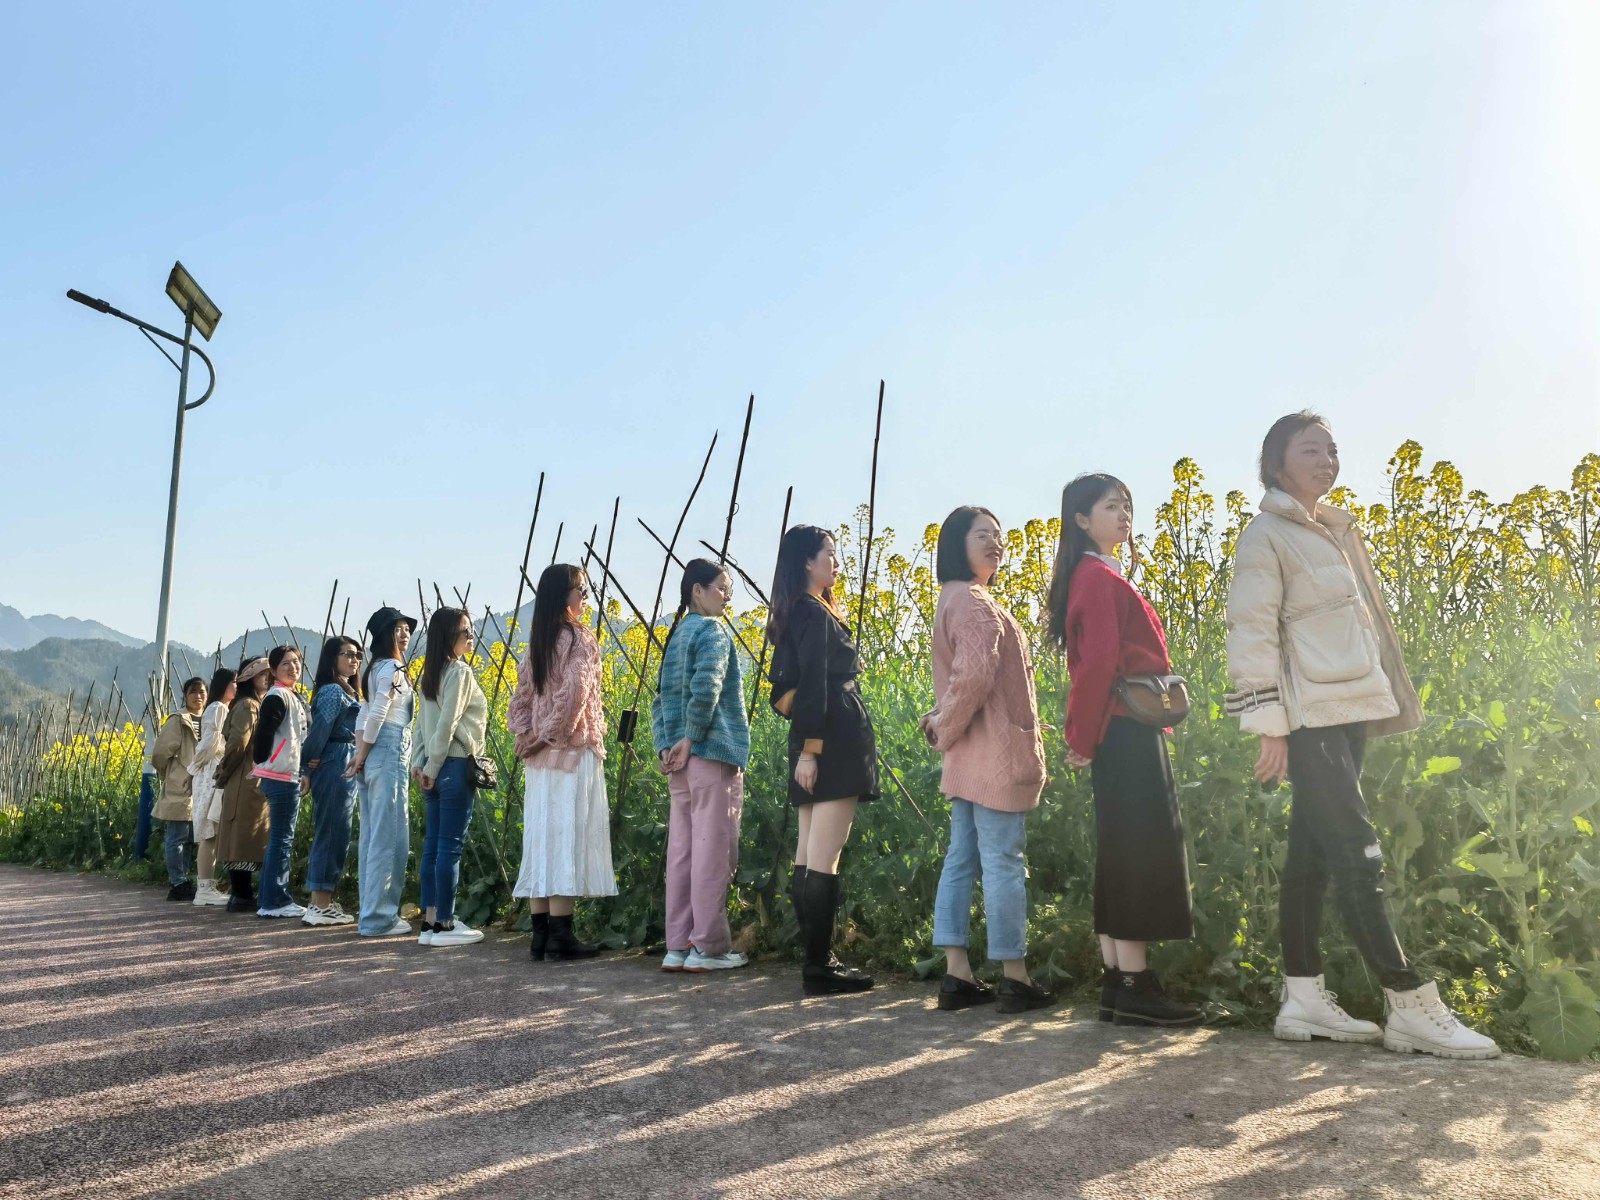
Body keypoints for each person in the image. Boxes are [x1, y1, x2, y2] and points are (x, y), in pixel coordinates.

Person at [1225, 411, 1498, 1059]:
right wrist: (1268, 724)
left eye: (1332, 449)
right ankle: (1408, 1001)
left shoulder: (1332, 531)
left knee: (1310, 859)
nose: (1326, 459)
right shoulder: (1266, 535)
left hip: (1345, 711)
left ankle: (1303, 997)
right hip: (1308, 715)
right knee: (1358, 850)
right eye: (1310, 449)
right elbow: (1252, 631)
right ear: (1276, 464)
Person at [1046, 474, 1204, 1028]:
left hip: (1120, 729)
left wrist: (1087, 736)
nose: (1124, 515)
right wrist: (1082, 738)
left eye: (1127, 506)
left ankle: (1118, 982)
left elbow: (1094, 664)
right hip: (1125, 730)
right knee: (1139, 848)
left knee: (1120, 849)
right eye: (1111, 506)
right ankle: (1135, 984)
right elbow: (1097, 665)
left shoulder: (1094, 574)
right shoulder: (1096, 576)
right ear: (1082, 520)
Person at [919, 508, 1054, 1013]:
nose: (996, 544)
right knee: (1002, 861)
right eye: (983, 536)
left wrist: (943, 723)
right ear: (957, 543)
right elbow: (974, 675)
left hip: (967, 755)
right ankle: (1014, 976)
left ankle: (957, 975)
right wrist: (944, 723)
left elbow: (966, 677)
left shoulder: (952, 597)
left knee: (963, 859)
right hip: (991, 754)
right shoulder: (973, 601)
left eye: (998, 536)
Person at [768, 525, 876, 995]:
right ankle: (819, 965)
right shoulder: (813, 614)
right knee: (823, 858)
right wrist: (811, 751)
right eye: (829, 554)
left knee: (809, 854)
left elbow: (783, 693)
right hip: (830, 739)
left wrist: (805, 744)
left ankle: (815, 962)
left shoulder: (803, 611)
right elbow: (808, 684)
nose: (836, 562)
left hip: (817, 735)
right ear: (807, 563)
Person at [508, 565, 615, 961]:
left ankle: (540, 934)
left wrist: (528, 739)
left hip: (540, 761)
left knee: (541, 837)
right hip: (570, 751)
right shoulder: (579, 638)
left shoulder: (539, 638)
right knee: (565, 837)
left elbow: (519, 700)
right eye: (581, 590)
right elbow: (576, 694)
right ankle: (561, 935)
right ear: (563, 595)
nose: (586, 597)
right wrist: (546, 734)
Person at [651, 559, 750, 973]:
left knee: (683, 852)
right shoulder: (711, 631)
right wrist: (692, 737)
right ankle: (708, 947)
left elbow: (660, 700)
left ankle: (678, 944)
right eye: (722, 588)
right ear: (697, 590)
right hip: (709, 753)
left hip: (678, 761)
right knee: (713, 852)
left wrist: (667, 746)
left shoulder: (676, 636)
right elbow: (706, 688)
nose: (728, 596)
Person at [413, 607, 490, 948]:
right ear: (448, 637)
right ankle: (445, 922)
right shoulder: (458, 671)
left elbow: (420, 726)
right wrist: (431, 766)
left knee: (432, 846)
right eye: (465, 633)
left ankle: (430, 922)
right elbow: (446, 724)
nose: (471, 638)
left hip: (433, 766)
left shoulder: (431, 673)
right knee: (449, 847)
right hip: (454, 765)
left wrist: (420, 764)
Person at [350, 607, 418, 939]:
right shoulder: (392, 667)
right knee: (390, 836)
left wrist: (359, 755)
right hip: (388, 750)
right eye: (397, 629)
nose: (404, 634)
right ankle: (380, 918)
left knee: (373, 837)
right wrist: (362, 752)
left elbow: (363, 716)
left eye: (406, 629)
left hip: (373, 751)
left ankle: (371, 912)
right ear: (384, 635)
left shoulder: (373, 667)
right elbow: (377, 710)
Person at [299, 636, 363, 927]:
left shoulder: (348, 691)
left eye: (357, 655)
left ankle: (323, 900)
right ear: (331, 658)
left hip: (344, 758)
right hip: (336, 758)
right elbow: (319, 732)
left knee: (338, 830)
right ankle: (319, 904)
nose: (354, 660)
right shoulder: (331, 692)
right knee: (332, 830)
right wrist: (307, 764)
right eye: (347, 654)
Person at [252, 646, 310, 919]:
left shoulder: (289, 695)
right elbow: (263, 733)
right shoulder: (277, 696)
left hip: (284, 773)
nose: (292, 667)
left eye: (296, 662)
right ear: (274, 670)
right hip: (280, 774)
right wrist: (266, 759)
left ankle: (270, 898)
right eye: (285, 663)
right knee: (282, 838)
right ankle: (275, 900)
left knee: (280, 838)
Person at [214, 657, 272, 914]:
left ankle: (243, 894)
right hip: (245, 776)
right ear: (249, 677)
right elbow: (238, 742)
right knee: (243, 836)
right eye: (261, 673)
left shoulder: (254, 703)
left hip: (247, 776)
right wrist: (224, 772)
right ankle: (242, 894)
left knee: (244, 835)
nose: (267, 677)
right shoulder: (249, 705)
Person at [151, 677, 206, 901]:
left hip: (202, 784)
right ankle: (178, 883)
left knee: (194, 836)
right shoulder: (178, 720)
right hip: (181, 784)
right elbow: (159, 754)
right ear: (185, 695)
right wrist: (172, 774)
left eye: (202, 692)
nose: (198, 696)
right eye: (193, 692)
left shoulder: (210, 718)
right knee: (178, 835)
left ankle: (186, 880)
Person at [188, 667, 236, 907]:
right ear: (223, 685)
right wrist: (194, 769)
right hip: (211, 774)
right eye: (233, 683)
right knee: (209, 831)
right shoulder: (218, 708)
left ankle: (207, 886)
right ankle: (204, 888)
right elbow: (208, 745)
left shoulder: (221, 708)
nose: (236, 687)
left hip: (212, 773)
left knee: (213, 832)